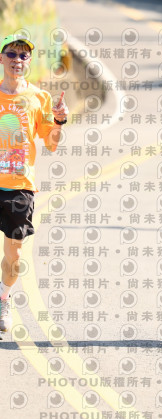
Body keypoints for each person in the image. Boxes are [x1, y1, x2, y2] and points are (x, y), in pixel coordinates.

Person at [0, 35, 68, 336]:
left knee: (14, 256)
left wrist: (59, 122)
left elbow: (51, 143)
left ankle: (3, 298)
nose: (17, 60)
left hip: (19, 188)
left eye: (23, 55)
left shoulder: (39, 98)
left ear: (28, 61)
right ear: (1, 58)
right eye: (11, 54)